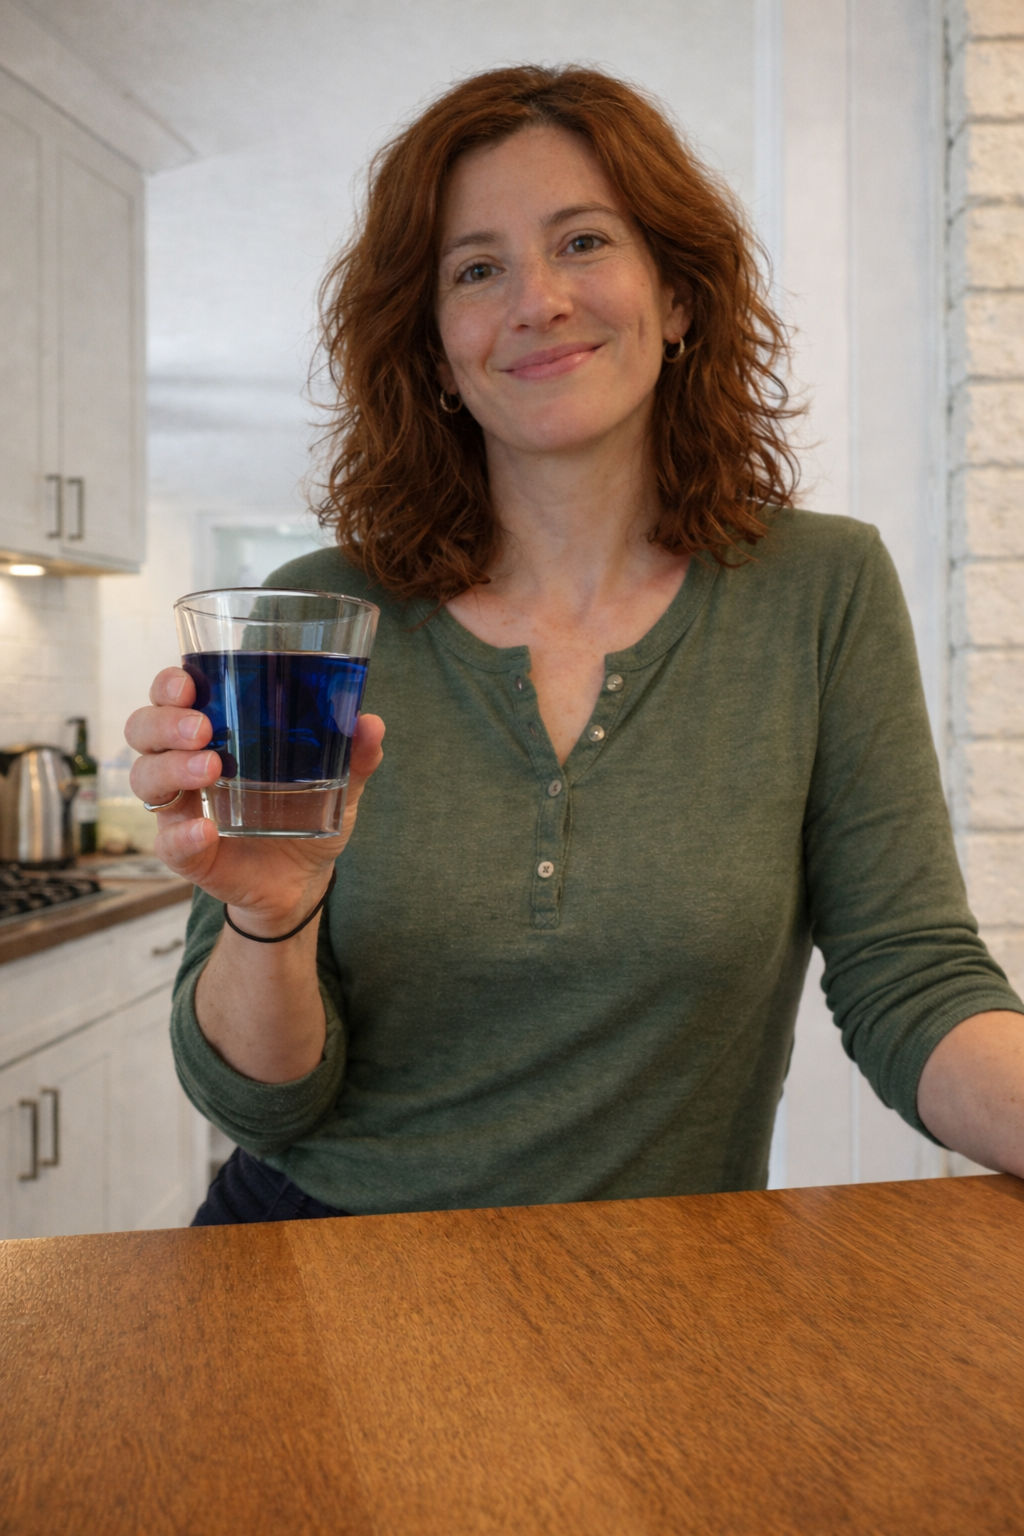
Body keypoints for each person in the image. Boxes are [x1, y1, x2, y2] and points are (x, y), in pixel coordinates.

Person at [127, 66, 1024, 1224]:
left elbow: (910, 981)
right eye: (477, 268)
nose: (536, 300)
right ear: (435, 344)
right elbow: (263, 1107)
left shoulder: (820, 589)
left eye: (584, 242)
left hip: (656, 1298)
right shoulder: (312, 623)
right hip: (315, 1270)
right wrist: (269, 914)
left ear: (679, 294)